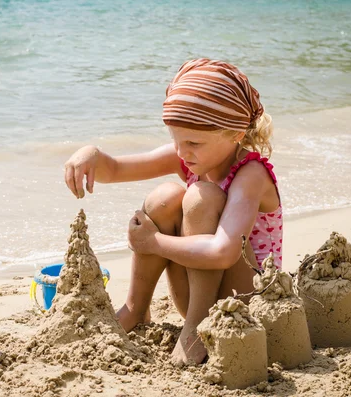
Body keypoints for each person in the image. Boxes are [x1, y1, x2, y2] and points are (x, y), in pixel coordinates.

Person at [63, 58, 282, 365]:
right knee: (165, 197)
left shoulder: (251, 174)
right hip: (196, 294)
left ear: (235, 134)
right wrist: (91, 154)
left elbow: (224, 252)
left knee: (201, 197)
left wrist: (153, 243)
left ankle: (195, 328)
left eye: (193, 142)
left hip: (242, 305)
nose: (181, 152)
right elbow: (115, 169)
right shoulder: (188, 157)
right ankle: (136, 310)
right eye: (175, 140)